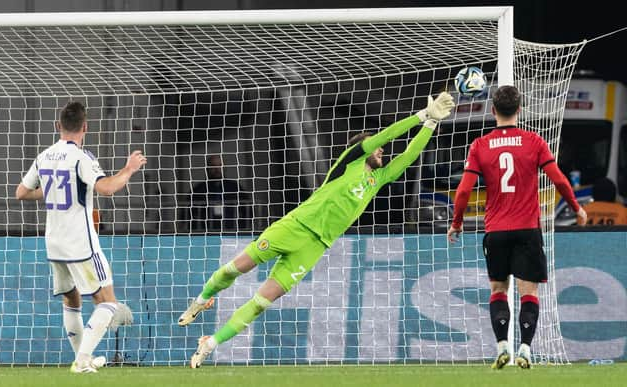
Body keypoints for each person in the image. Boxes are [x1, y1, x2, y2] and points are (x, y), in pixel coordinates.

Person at [178, 92, 456, 368]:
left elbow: (408, 157)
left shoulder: (378, 178)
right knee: (233, 270)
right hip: (295, 226)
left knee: (262, 302)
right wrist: (421, 115)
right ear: (363, 149)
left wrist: (431, 124)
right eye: (377, 148)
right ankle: (201, 300)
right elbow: (385, 137)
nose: (382, 151)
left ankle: (210, 344)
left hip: (315, 246)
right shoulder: (351, 161)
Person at [446, 85, 587, 370]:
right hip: (526, 229)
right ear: (519, 111)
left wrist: (457, 223)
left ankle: (501, 347)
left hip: (496, 231)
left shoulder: (480, 146)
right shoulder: (534, 141)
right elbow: (558, 179)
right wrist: (576, 207)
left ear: (493, 110)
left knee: (498, 289)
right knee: (529, 293)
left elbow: (463, 191)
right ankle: (525, 349)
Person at [15, 101, 147, 373]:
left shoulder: (44, 156)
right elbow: (107, 188)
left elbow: (21, 192)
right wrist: (129, 169)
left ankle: (80, 359)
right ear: (85, 127)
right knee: (108, 302)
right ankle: (83, 359)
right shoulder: (82, 157)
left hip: (54, 242)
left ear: (57, 126)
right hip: (81, 244)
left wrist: (50, 191)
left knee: (71, 301)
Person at [191, 154, 251, 231]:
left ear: (224, 168)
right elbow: (189, 213)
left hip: (232, 230)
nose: (217, 169)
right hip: (207, 231)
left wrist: (243, 227)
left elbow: (247, 209)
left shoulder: (235, 187)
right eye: (213, 166)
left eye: (220, 165)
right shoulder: (199, 189)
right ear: (207, 168)